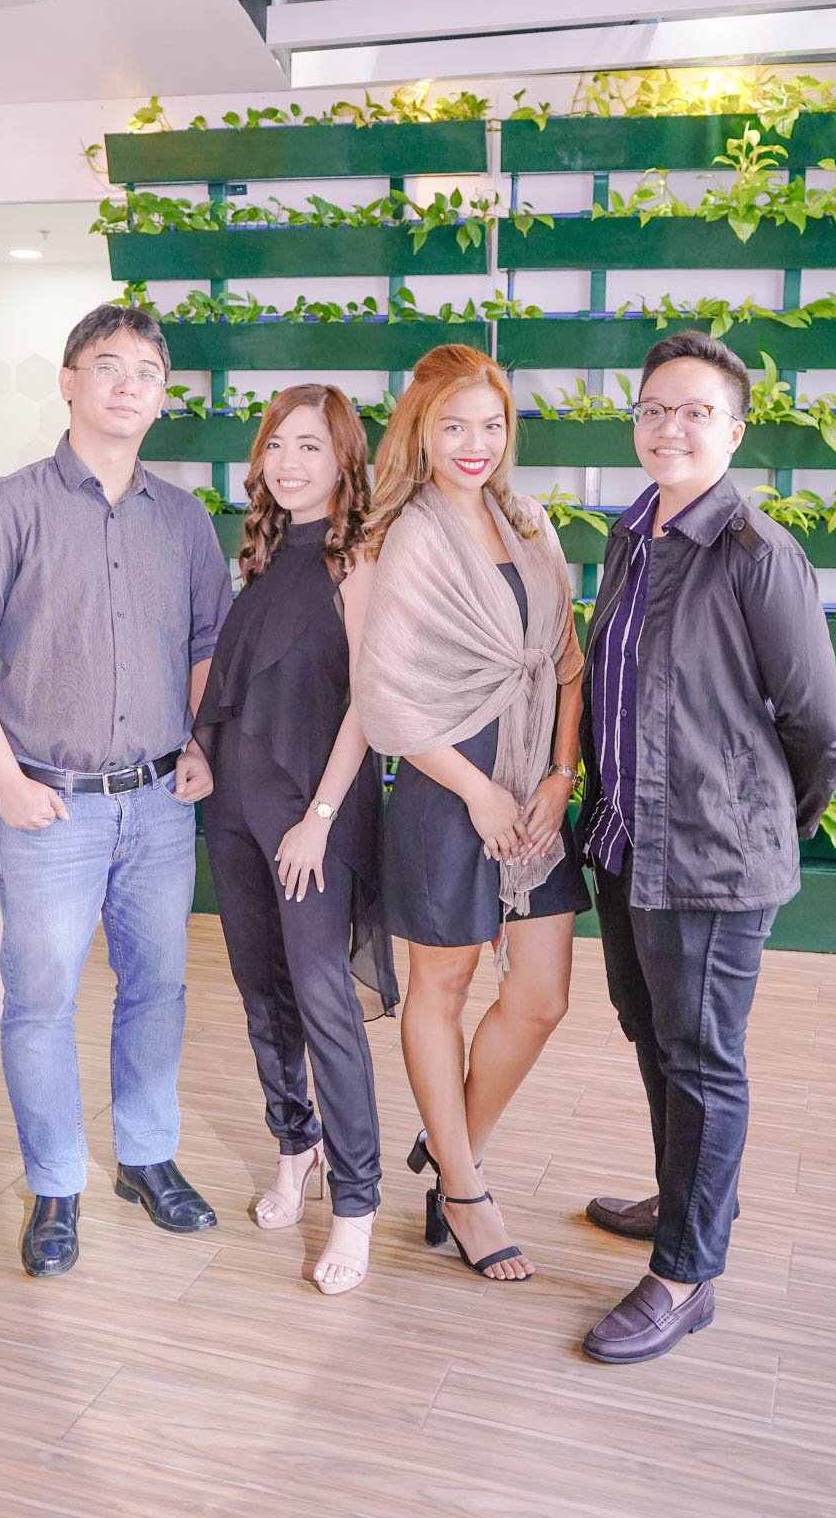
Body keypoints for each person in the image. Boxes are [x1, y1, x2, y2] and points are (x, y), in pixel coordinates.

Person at [0, 304, 232, 1278]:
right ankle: (56, 1184)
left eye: (147, 372)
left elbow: (207, 645)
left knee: (158, 989)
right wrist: (4, 780)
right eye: (108, 366)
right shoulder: (4, 507)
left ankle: (145, 1157)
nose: (128, 384)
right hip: (47, 807)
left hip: (159, 802)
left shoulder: (183, 520)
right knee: (41, 1001)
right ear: (69, 382)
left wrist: (201, 743)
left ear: (162, 397)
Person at [577, 330, 836, 1364]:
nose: (671, 427)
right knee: (653, 1035)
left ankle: (687, 1275)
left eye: (697, 412)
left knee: (701, 1061)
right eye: (654, 409)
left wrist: (765, 822)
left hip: (710, 857)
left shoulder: (756, 553)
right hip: (627, 842)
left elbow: (816, 725)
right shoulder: (631, 533)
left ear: (735, 431)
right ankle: (684, 1198)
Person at [356, 345, 589, 1283]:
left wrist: (558, 777)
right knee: (442, 988)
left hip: (533, 783)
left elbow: (566, 663)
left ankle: (450, 1146)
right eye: (454, 425)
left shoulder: (527, 521)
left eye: (491, 425)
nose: (474, 443)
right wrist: (479, 791)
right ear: (421, 430)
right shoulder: (408, 535)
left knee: (541, 997)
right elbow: (386, 699)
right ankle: (464, 1189)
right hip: (449, 789)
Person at [195, 385, 396, 1297]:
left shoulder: (359, 559)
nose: (289, 463)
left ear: (344, 458)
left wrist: (318, 817)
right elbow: (238, 685)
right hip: (234, 809)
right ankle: (295, 1147)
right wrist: (200, 754)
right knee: (261, 994)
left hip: (314, 816)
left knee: (321, 1002)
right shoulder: (265, 554)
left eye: (310, 446)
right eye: (277, 445)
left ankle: (356, 1203)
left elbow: (367, 702)